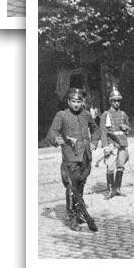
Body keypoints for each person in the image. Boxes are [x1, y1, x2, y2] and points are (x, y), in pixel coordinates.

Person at [46, 88, 98, 232]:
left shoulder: (86, 114)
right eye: (73, 101)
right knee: (71, 187)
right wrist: (64, 139)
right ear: (69, 102)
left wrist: (94, 141)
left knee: (80, 185)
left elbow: (95, 129)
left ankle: (79, 212)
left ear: (82, 102)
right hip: (70, 158)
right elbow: (51, 135)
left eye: (78, 101)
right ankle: (72, 218)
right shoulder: (61, 115)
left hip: (85, 157)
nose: (76, 104)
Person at [98, 88, 130, 199]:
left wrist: (126, 128)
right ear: (110, 101)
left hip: (122, 144)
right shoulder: (105, 114)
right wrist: (105, 146)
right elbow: (103, 131)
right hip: (111, 145)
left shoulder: (123, 114)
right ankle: (111, 189)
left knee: (120, 166)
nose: (117, 103)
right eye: (114, 100)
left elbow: (128, 128)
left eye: (118, 101)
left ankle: (118, 188)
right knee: (110, 168)